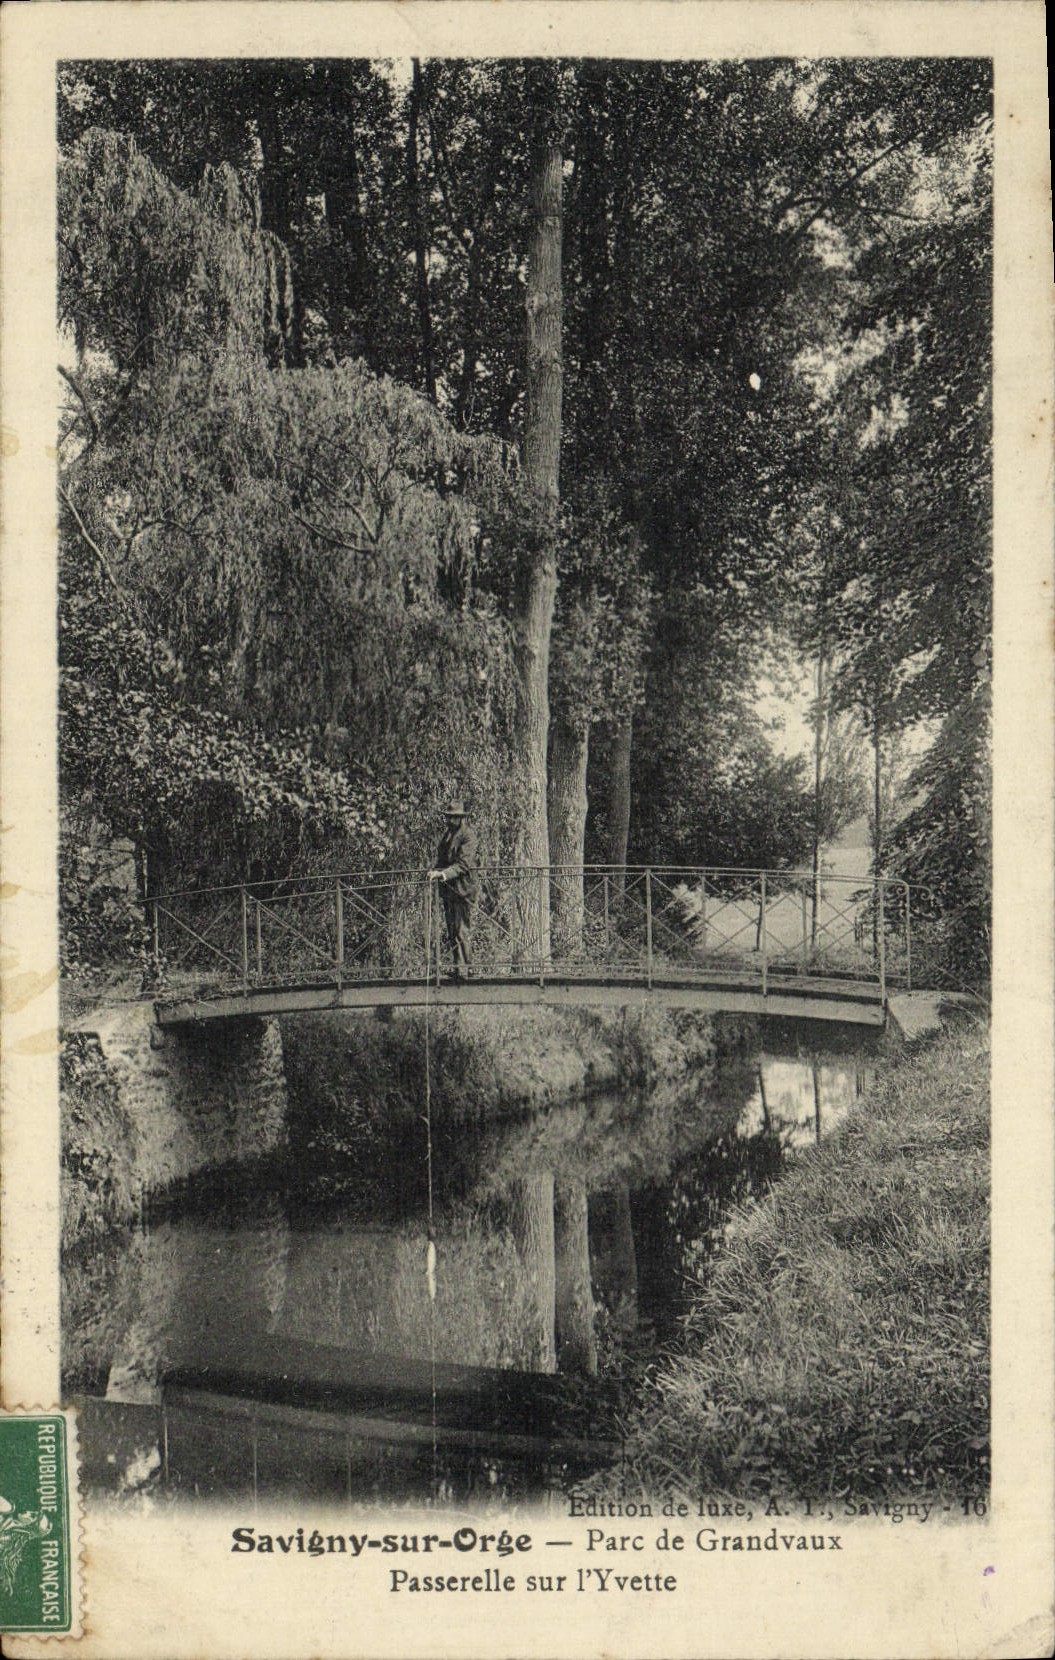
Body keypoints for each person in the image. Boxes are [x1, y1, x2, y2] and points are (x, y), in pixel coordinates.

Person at [428, 800, 479, 978]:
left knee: (462, 929)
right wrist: (434, 871)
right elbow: (442, 859)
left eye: (454, 818)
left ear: (461, 818)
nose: (450, 821)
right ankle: (458, 968)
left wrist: (443, 874)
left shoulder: (468, 836)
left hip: (463, 889)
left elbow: (463, 864)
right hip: (449, 890)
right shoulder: (447, 836)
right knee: (452, 929)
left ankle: (469, 968)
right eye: (448, 817)